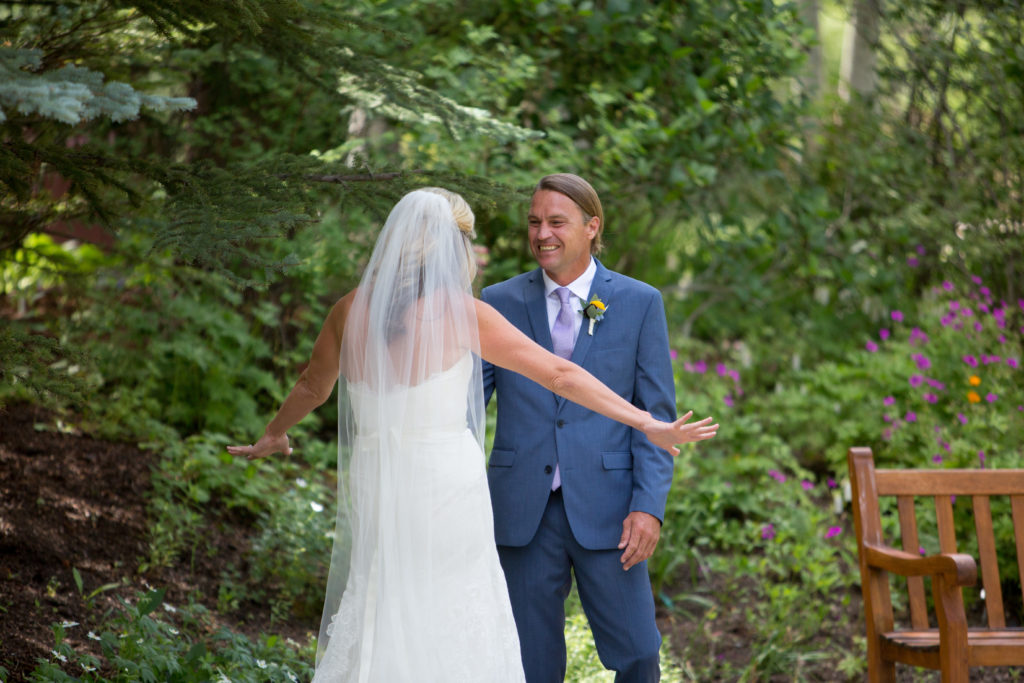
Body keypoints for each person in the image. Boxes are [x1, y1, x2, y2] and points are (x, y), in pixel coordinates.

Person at [228, 187, 716, 682]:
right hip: (449, 492)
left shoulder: (350, 310)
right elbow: (559, 376)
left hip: (382, 485)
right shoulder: (464, 313)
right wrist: (644, 421)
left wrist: (274, 433)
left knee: (387, 600)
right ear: (454, 247)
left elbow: (313, 384)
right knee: (455, 613)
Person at [481, 173, 684, 683]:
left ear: (592, 227)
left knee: (639, 653)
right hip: (521, 508)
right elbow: (466, 403)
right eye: (534, 222)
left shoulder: (640, 302)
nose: (542, 233)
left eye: (556, 222)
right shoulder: (497, 301)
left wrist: (648, 507)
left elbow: (654, 415)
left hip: (611, 510)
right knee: (530, 665)